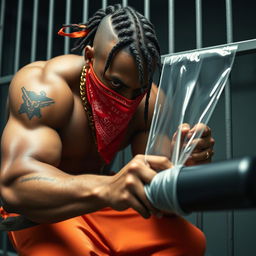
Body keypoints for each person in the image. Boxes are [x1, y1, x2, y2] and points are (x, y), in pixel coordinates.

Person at [0, 4, 214, 256]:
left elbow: (159, 202)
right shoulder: (44, 86)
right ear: (90, 57)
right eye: (116, 83)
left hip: (102, 204)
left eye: (138, 89)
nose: (126, 101)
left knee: (189, 242)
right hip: (42, 208)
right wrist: (109, 186)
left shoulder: (149, 103)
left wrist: (183, 168)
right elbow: (15, 186)